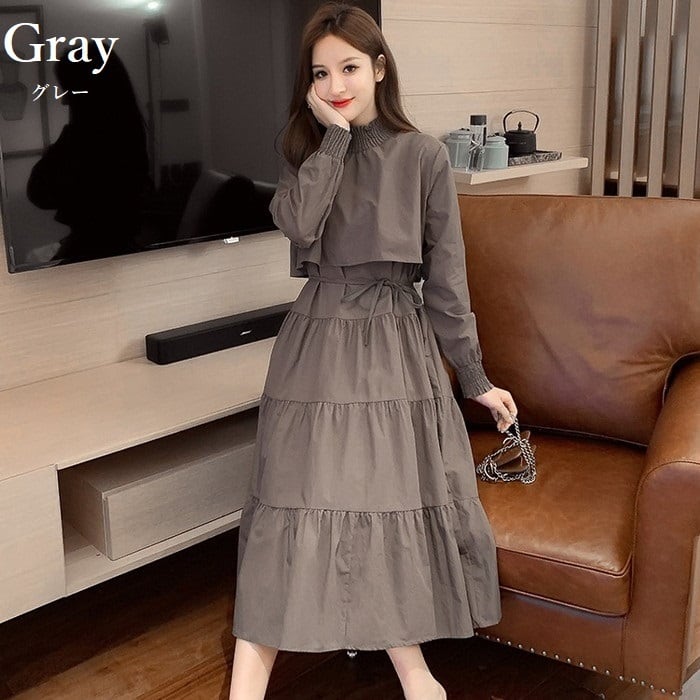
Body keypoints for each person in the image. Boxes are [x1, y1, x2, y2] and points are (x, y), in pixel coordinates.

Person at [229, 3, 518, 699]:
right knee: (290, 501)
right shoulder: (304, 153)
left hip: (391, 338)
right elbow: (298, 226)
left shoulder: (423, 156)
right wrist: (331, 141)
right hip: (315, 340)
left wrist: (474, 377)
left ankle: (417, 677)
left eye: (350, 68)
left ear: (380, 68)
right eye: (320, 73)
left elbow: (446, 279)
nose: (336, 86)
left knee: (384, 500)